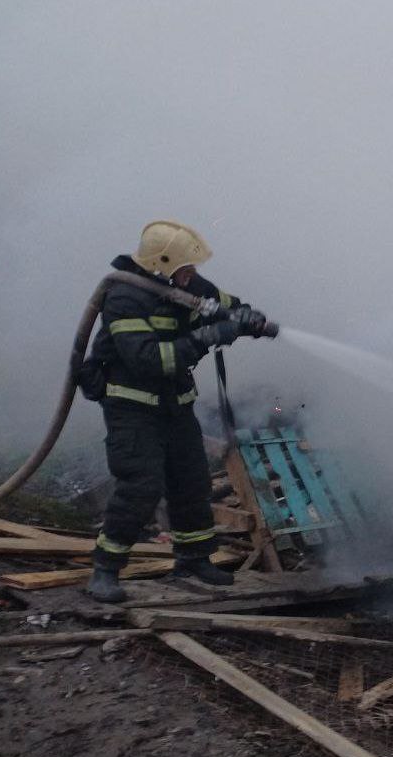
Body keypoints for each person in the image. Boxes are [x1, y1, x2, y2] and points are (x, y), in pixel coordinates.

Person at [84, 220, 269, 603]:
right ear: (161, 265)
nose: (192, 273)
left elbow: (227, 305)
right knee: (141, 485)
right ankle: (105, 569)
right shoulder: (124, 298)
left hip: (176, 405)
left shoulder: (190, 286)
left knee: (191, 482)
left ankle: (193, 559)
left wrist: (247, 317)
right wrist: (207, 336)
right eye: (185, 267)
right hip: (132, 408)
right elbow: (149, 360)